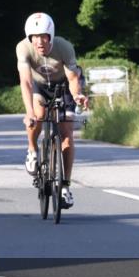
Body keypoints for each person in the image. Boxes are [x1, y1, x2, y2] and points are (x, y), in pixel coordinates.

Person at [16, 13, 89, 209]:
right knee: (38, 116)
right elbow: (26, 81)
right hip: (39, 87)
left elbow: (73, 79)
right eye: (34, 37)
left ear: (51, 35)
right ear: (29, 37)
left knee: (66, 134)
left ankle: (65, 186)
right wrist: (29, 111)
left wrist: (77, 96)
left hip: (63, 86)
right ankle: (32, 150)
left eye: (43, 36)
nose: (39, 41)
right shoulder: (23, 48)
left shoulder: (64, 47)